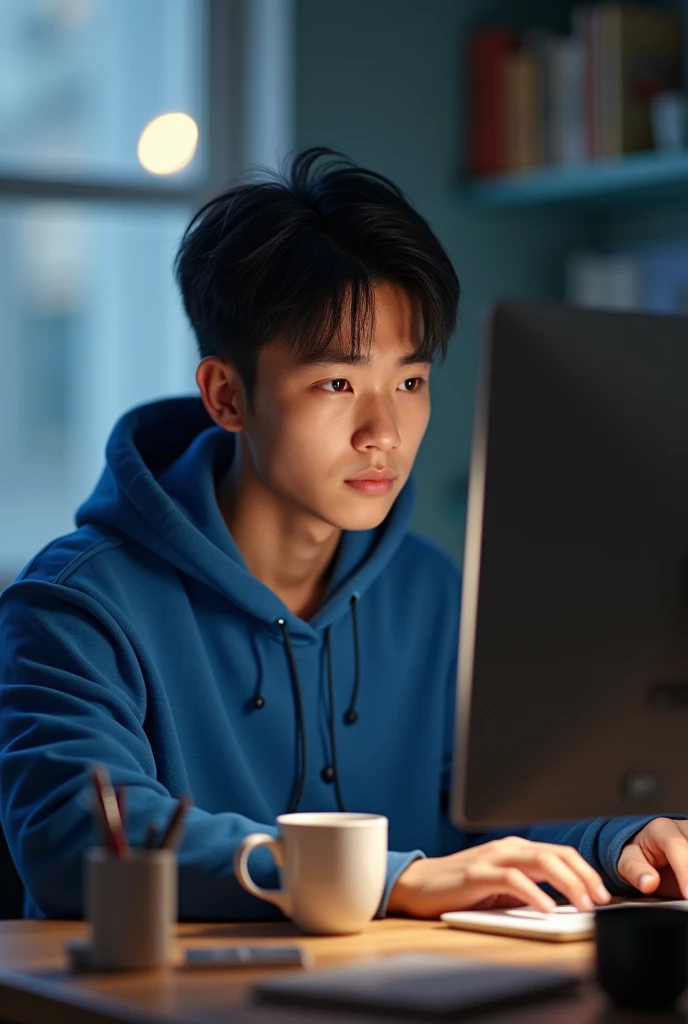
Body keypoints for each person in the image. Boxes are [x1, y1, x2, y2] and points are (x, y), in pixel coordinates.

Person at [0, 148, 686, 921]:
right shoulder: (75, 604)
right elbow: (80, 841)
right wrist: (389, 879)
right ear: (227, 396)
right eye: (336, 383)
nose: (384, 432)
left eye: (410, 382)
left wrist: (618, 836)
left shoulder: (431, 589)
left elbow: (495, 804)